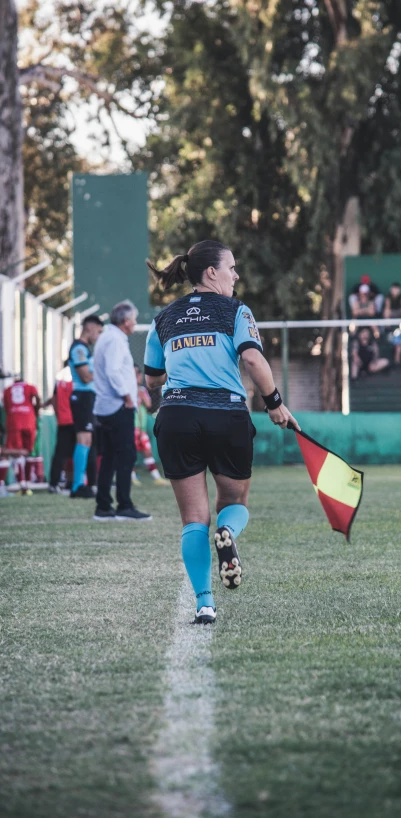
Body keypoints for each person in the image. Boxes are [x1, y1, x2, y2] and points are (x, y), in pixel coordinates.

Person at [144, 240, 299, 625]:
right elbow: (251, 357)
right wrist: (275, 402)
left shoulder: (163, 318)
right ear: (211, 273)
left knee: (193, 518)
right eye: (231, 268)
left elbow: (151, 380)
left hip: (176, 415)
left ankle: (205, 603)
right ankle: (228, 530)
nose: (236, 275)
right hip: (226, 414)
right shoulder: (235, 310)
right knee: (235, 501)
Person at [93, 301, 150, 522]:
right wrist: (127, 396)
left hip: (106, 406)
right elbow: (113, 371)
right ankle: (124, 506)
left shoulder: (107, 337)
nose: (135, 322)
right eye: (134, 318)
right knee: (126, 456)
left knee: (108, 457)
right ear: (126, 321)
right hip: (118, 406)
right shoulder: (115, 340)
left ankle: (103, 507)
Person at [67, 315, 104, 498]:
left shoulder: (85, 349)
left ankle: (82, 484)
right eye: (98, 331)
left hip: (88, 398)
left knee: (87, 441)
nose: (98, 336)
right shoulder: (79, 348)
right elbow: (86, 377)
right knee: (83, 440)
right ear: (89, 328)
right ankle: (77, 486)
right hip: (82, 397)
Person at [131, 365, 169, 486]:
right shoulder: (127, 388)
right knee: (131, 452)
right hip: (132, 426)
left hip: (141, 427)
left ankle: (156, 477)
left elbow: (148, 404)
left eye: (139, 374)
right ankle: (132, 476)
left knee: (147, 451)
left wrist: (141, 395)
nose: (138, 376)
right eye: (135, 374)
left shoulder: (142, 389)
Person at [2, 377, 40, 494]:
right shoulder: (30, 386)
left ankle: (22, 484)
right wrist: (36, 410)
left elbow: (6, 407)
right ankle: (26, 484)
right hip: (29, 420)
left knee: (15, 452)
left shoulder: (7, 390)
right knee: (27, 451)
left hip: (14, 421)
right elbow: (37, 397)